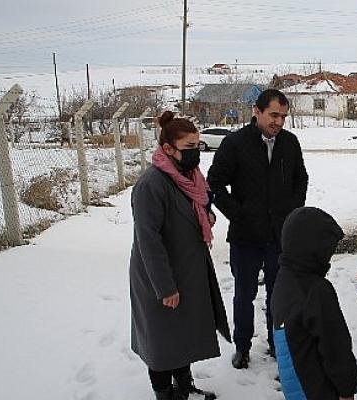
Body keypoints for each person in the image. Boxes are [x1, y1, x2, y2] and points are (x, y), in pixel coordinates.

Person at [129, 111, 231, 400]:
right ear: (168, 149)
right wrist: (165, 287)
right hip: (159, 277)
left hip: (187, 270)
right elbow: (149, 241)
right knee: (162, 343)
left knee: (182, 335)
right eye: (189, 148)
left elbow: (196, 208)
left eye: (197, 146)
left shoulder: (189, 177)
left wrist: (206, 215)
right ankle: (165, 394)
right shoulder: (151, 185)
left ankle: (184, 386)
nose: (195, 153)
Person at [207, 89, 309, 369]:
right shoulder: (235, 142)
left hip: (279, 236)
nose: (279, 121)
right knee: (244, 295)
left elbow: (301, 178)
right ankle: (242, 346)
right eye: (274, 114)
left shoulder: (289, 142)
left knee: (279, 295)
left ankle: (278, 344)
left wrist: (292, 212)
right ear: (257, 111)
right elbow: (214, 182)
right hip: (246, 237)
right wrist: (237, 214)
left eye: (284, 117)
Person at [271, 207, 357, 400]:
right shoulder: (316, 291)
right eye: (327, 249)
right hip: (317, 389)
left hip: (296, 383)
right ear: (313, 248)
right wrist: (346, 389)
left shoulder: (284, 279)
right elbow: (335, 346)